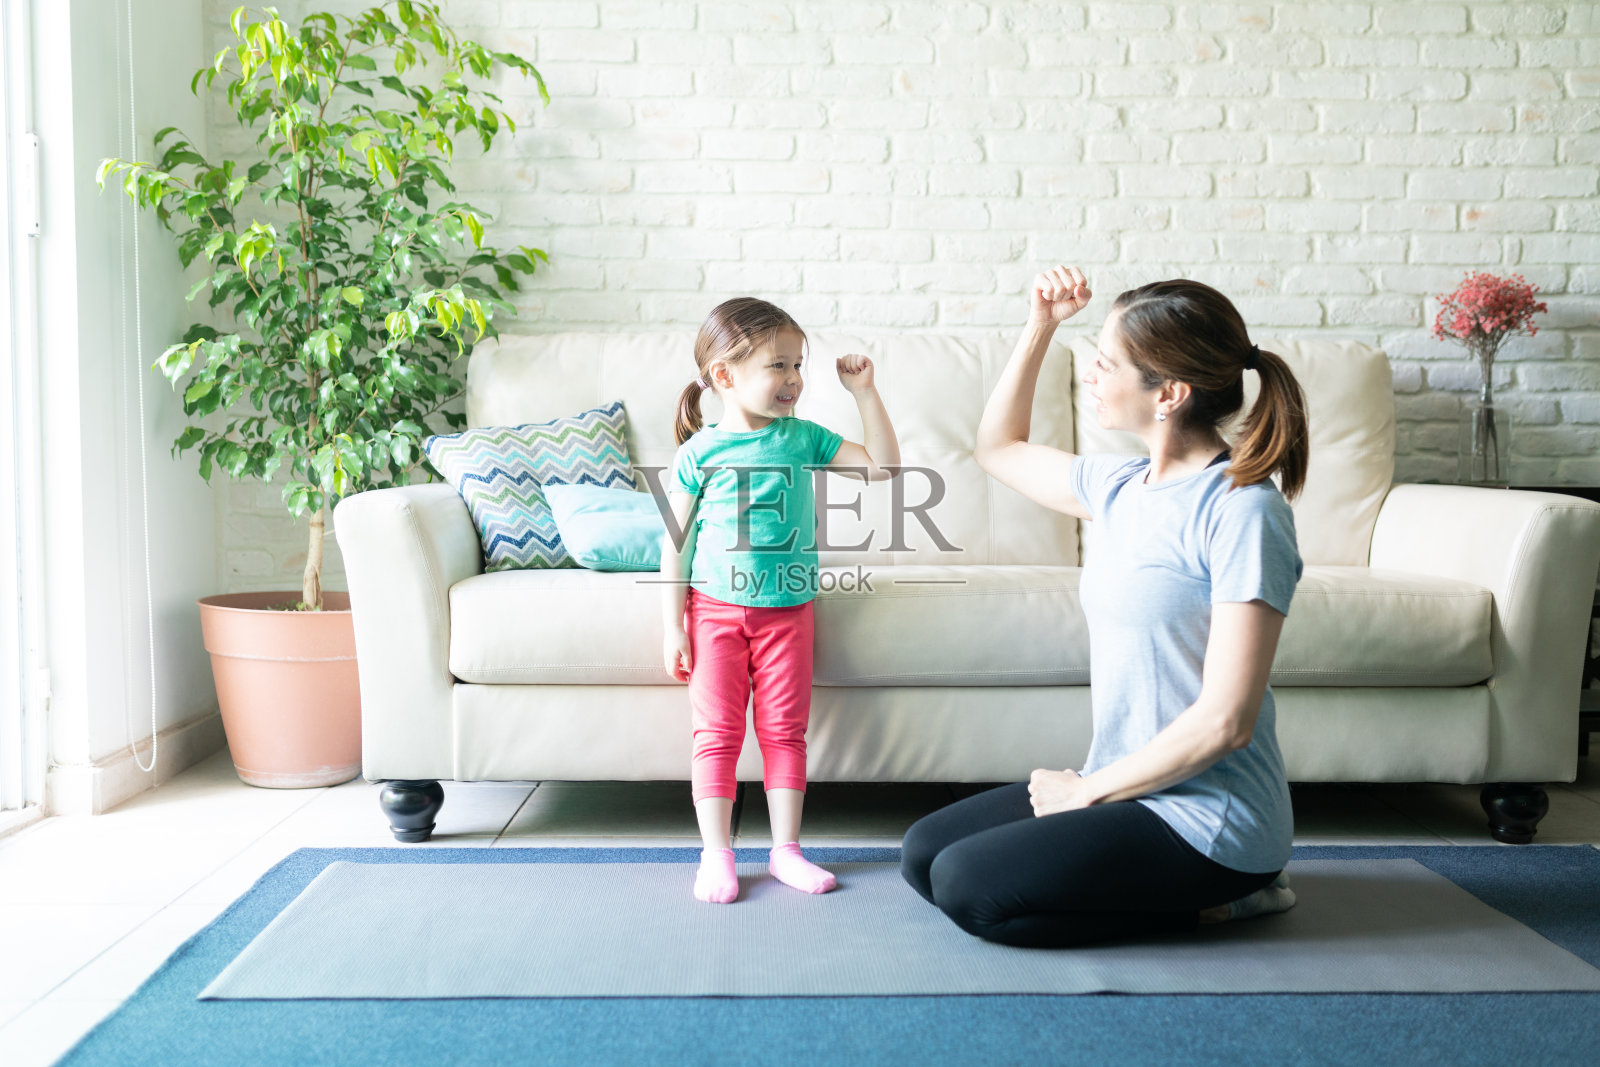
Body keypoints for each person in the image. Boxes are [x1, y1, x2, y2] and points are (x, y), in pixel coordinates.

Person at [901, 265, 1309, 948]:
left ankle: (1234, 899)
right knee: (923, 855)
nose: (1091, 374)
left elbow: (1228, 721)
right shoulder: (1120, 485)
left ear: (1169, 394)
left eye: (1106, 362)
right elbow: (997, 448)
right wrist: (1041, 324)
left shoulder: (1243, 510)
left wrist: (1084, 794)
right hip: (1126, 785)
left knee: (972, 890)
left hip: (1210, 819)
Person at [663, 297, 901, 904]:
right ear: (725, 376)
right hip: (714, 611)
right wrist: (674, 626)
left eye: (798, 365)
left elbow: (882, 471)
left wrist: (864, 393)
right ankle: (716, 854)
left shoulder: (803, 439)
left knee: (784, 731)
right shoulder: (699, 454)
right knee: (716, 734)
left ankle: (785, 851)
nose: (794, 379)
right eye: (778, 366)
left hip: (788, 612)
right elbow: (676, 547)